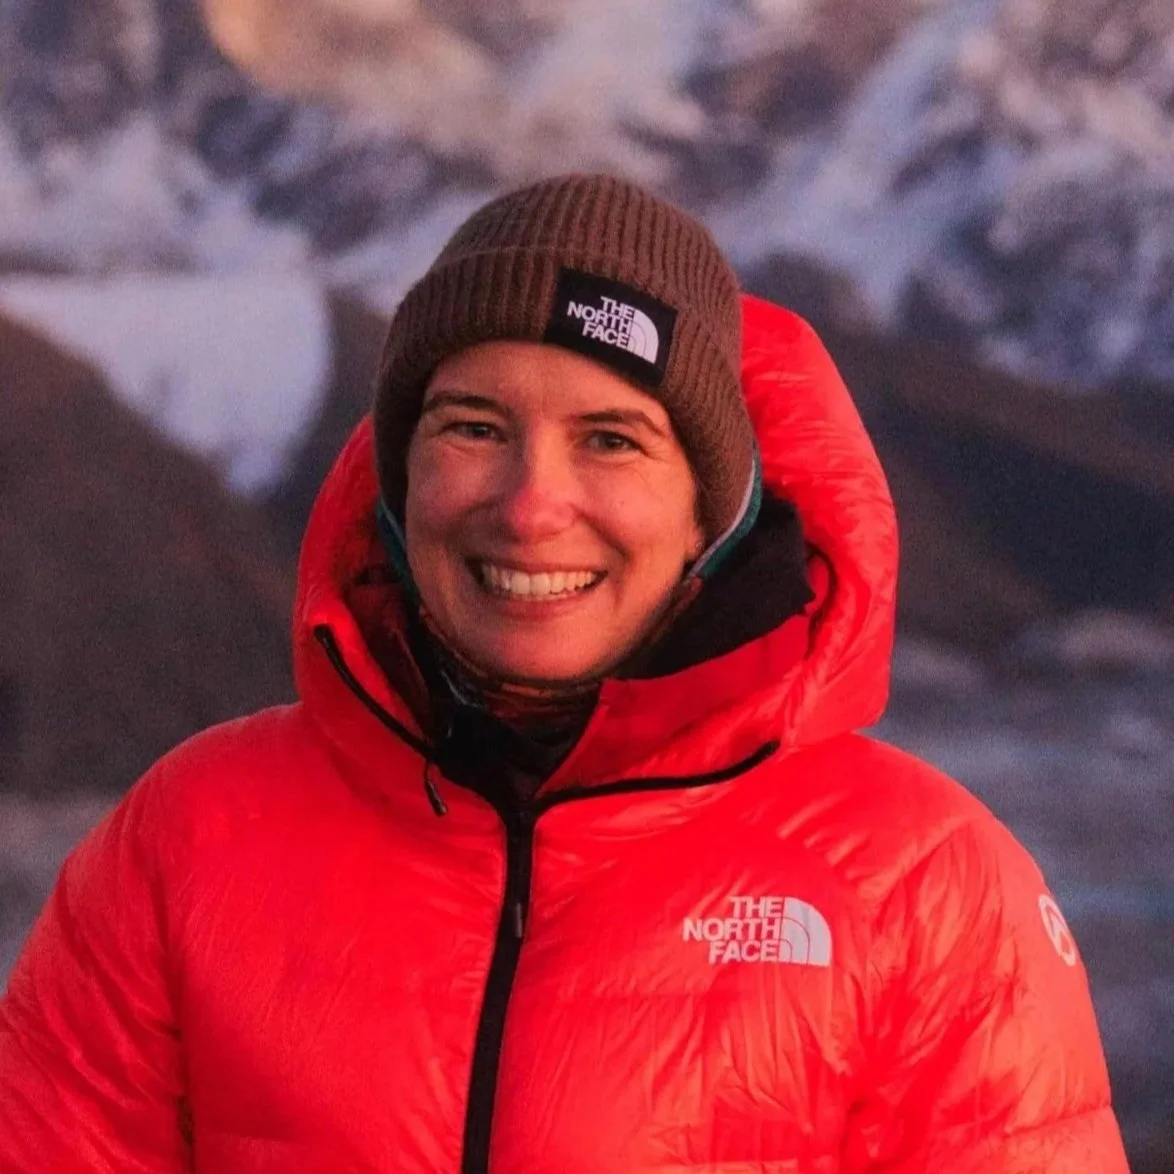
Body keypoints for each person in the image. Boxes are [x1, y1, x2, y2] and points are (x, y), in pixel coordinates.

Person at [0, 173, 1128, 1172]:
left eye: (612, 438)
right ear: (398, 478)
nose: (532, 507)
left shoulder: (926, 893)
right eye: (473, 427)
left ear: (710, 512)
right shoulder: (184, 845)